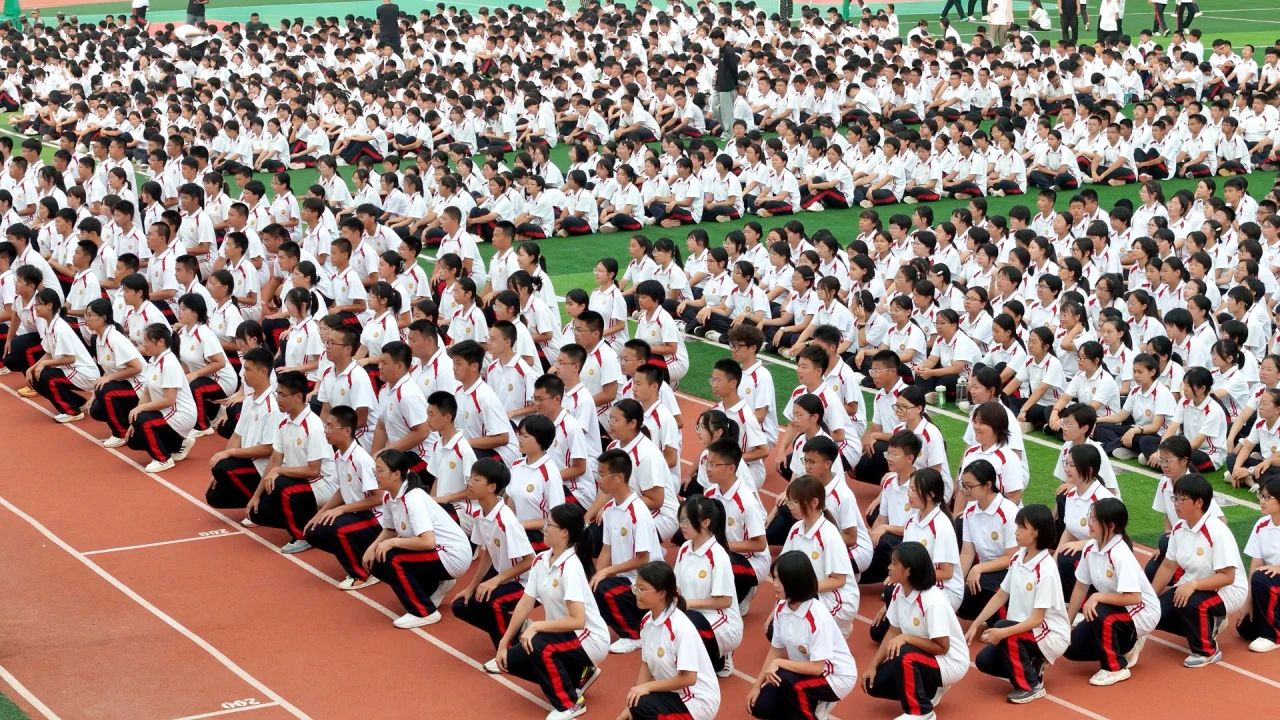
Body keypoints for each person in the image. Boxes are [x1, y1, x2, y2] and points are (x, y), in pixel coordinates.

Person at [495, 503, 610, 720]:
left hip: (589, 638)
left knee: (539, 644)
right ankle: (578, 674)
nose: (544, 528)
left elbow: (578, 620)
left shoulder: (571, 567)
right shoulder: (541, 560)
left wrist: (537, 626)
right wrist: (504, 642)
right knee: (508, 661)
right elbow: (525, 603)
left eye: (549, 525)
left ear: (564, 532)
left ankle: (571, 704)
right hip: (561, 635)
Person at [966, 504, 1071, 704]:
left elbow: (1037, 619)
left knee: (1004, 629)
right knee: (984, 661)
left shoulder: (1046, 569)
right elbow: (1001, 595)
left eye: (1022, 527)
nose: (1016, 531)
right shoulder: (1017, 557)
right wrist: (976, 624)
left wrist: (1002, 633)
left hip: (1049, 633)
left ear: (1036, 532)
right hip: (1025, 630)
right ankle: (1032, 663)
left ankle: (1030, 686)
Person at [364, 448, 472, 628]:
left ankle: (424, 612)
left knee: (392, 559)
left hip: (452, 554)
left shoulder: (413, 498)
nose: (375, 474)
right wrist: (372, 547)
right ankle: (436, 585)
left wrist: (392, 542)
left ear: (396, 474)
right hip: (436, 551)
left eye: (380, 470)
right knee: (376, 559)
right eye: (375, 469)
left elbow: (427, 541)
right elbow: (390, 529)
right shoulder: (389, 497)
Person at [862, 541, 970, 720]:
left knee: (904, 654)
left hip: (949, 661)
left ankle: (921, 712)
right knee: (873, 684)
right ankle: (930, 689)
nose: (889, 567)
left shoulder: (932, 601)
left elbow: (942, 647)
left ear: (908, 571)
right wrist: (872, 666)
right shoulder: (899, 591)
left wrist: (907, 638)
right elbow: (893, 631)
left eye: (894, 563)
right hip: (925, 654)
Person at [1150, 473, 1248, 667]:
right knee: (1156, 614)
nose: (1176, 504)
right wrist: (1150, 598)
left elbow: (1228, 577)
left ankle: (1207, 651)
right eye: (1175, 498)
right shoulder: (1179, 527)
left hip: (1228, 590)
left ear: (1199, 502)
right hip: (1193, 584)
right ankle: (1209, 624)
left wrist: (1193, 585)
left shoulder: (1217, 532)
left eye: (1182, 499)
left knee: (1192, 603)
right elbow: (1168, 565)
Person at [746, 551, 858, 720]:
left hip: (834, 676)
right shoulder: (781, 608)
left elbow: (817, 668)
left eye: (779, 580)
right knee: (760, 706)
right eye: (774, 578)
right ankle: (810, 702)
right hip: (807, 670)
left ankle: (815, 705)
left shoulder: (816, 616)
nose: (774, 584)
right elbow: (776, 650)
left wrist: (778, 663)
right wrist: (757, 685)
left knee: (788, 680)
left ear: (795, 581)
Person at [1063, 497, 1162, 684]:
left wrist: (1098, 596)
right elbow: (1080, 587)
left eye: (1094, 519)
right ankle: (1128, 644)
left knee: (1099, 612)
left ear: (1110, 526)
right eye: (1090, 517)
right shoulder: (1090, 547)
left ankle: (1115, 668)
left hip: (1141, 611)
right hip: (1115, 606)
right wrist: (1065, 625)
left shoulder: (1120, 554)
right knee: (1071, 648)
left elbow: (1134, 598)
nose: (1088, 522)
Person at [245, 370, 337, 553]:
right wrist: (255, 496)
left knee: (281, 483)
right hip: (299, 482)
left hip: (322, 485)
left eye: (282, 395)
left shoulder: (314, 426)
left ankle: (303, 536)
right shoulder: (283, 423)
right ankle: (310, 519)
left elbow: (314, 470)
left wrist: (280, 471)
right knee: (258, 512)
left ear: (298, 396)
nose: (277, 399)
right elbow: (274, 461)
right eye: (277, 393)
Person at [621, 561, 721, 720]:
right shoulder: (647, 621)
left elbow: (689, 678)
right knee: (637, 704)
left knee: (644, 707)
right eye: (636, 587)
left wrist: (646, 688)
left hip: (696, 699)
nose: (636, 593)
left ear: (661, 593)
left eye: (642, 589)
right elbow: (646, 665)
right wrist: (630, 707)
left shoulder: (680, 628)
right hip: (674, 694)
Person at [453, 459, 536, 649]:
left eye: (476, 479)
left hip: (528, 583)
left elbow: (530, 561)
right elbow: (488, 554)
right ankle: (519, 629)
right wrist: (471, 587)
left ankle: (506, 650)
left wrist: (495, 580)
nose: (469, 483)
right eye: (471, 477)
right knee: (461, 605)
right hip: (507, 579)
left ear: (491, 487)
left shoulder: (506, 520)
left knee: (492, 602)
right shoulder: (481, 514)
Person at [303, 405, 383, 591]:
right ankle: (361, 554)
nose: (326, 431)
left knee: (337, 527)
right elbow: (342, 489)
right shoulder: (339, 454)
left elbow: (378, 498)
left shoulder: (361, 459)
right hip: (356, 514)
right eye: (325, 426)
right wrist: (321, 513)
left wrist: (341, 509)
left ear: (347, 430)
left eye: (331, 426)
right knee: (313, 531)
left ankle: (362, 574)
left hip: (374, 519)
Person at [590, 448, 661, 654]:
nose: (598, 480)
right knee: (594, 587)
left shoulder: (638, 513)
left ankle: (633, 634)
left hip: (646, 581)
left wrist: (606, 572)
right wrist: (596, 577)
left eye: (602, 474)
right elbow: (606, 549)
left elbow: (643, 559)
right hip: (626, 579)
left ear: (618, 478)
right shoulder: (610, 509)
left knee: (605, 589)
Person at [673, 496, 743, 677]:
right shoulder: (685, 548)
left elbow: (725, 601)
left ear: (705, 522)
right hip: (691, 612)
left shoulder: (718, 555)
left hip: (719, 618)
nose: (682, 525)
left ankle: (720, 655)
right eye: (681, 520)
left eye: (688, 521)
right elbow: (676, 587)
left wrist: (688, 604)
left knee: (688, 627)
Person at [126, 323, 199, 473]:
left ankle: (163, 459)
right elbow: (146, 394)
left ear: (160, 342)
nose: (144, 344)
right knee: (133, 439)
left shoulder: (169, 364)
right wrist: (134, 420)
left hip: (180, 414)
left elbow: (169, 400)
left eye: (147, 340)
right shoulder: (153, 362)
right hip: (166, 412)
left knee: (143, 421)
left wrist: (140, 411)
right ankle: (178, 443)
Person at [956, 459, 1019, 620]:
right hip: (985, 569)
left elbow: (1012, 557)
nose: (965, 490)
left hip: (1010, 571)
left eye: (970, 486)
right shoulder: (970, 511)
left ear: (987, 485)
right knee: (961, 599)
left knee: (981, 584)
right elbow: (967, 553)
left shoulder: (1009, 512)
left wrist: (979, 568)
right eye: (963, 485)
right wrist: (956, 582)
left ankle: (1000, 621)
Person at [28, 288, 99, 423]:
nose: (35, 308)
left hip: (84, 373)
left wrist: (44, 364)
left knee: (47, 376)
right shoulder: (49, 324)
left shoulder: (60, 329)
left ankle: (72, 412)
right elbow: (49, 353)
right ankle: (77, 403)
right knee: (34, 375)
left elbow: (70, 358)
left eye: (38, 304)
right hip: (72, 370)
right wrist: (31, 368)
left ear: (49, 306)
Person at [1238, 478, 1280, 652]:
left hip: (1272, 581)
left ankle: (1272, 636)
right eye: (1261, 495)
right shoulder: (1261, 525)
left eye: (1267, 497)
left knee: (1261, 577)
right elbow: (1255, 563)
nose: (1262, 501)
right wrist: (1248, 602)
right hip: (1271, 583)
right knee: (1245, 629)